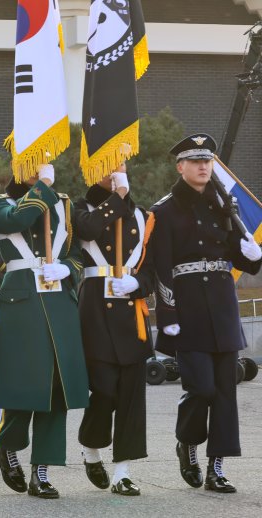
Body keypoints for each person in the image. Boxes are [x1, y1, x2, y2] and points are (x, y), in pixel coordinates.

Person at [150, 134, 262, 493]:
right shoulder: (163, 210)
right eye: (195, 160)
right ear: (180, 166)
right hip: (188, 310)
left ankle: (217, 467)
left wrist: (252, 254)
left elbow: (235, 253)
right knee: (202, 388)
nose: (202, 166)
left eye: (207, 161)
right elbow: (161, 267)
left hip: (223, 306)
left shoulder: (222, 205)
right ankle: (188, 444)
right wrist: (167, 317)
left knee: (226, 391)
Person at [0, 164, 89, 500]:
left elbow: (75, 253)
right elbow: (15, 220)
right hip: (20, 298)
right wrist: (43, 186)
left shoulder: (63, 203)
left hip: (59, 298)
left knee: (57, 388)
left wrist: (69, 269)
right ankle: (9, 446)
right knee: (24, 383)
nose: (35, 170)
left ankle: (42, 469)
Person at [74, 166, 154, 496]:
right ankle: (91, 448)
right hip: (95, 309)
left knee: (132, 396)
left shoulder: (142, 215)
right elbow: (90, 230)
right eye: (106, 169)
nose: (114, 174)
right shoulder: (78, 209)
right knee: (103, 390)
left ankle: (123, 471)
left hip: (129, 311)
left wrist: (139, 284)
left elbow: (152, 268)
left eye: (118, 168)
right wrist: (117, 199)